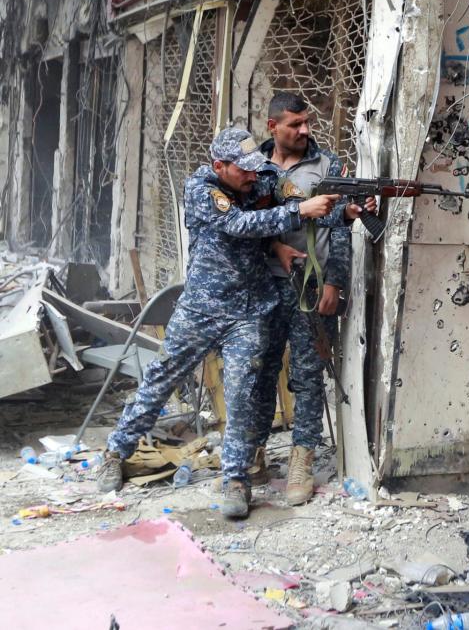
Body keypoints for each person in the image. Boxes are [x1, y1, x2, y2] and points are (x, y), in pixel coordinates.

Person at [96, 127, 343, 519]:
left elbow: (290, 195)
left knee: (242, 391)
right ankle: (116, 451)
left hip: (250, 310)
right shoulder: (201, 189)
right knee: (162, 377)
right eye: (242, 171)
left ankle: (236, 479)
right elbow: (241, 225)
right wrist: (297, 213)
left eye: (254, 168)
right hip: (203, 308)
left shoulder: (258, 178)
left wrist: (338, 208)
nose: (252, 176)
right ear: (219, 166)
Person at [252, 92, 373, 505]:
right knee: (258, 371)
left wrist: (334, 283)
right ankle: (253, 452)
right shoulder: (253, 166)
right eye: (294, 124)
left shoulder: (328, 165)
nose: (304, 130)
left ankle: (302, 457)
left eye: (307, 122)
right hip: (261, 287)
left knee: (307, 376)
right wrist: (274, 250)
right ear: (273, 127)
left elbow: (340, 227)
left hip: (311, 287)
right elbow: (244, 222)